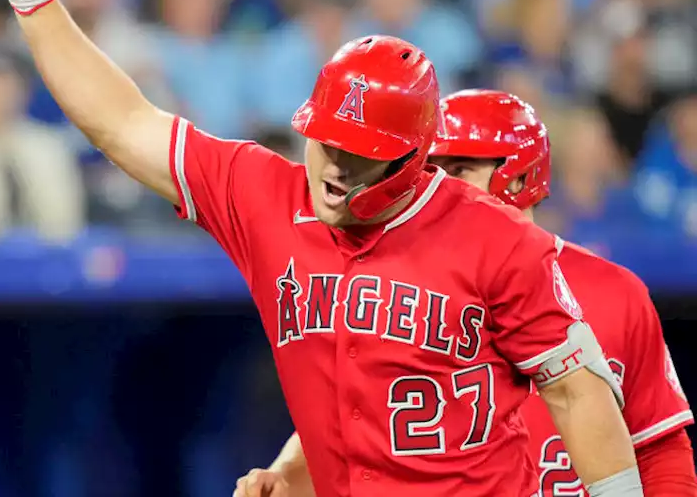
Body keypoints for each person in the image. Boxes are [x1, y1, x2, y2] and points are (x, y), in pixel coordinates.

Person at [0, 0, 641, 496]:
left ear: (413, 156)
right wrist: (34, 0)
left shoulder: (494, 237)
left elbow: (578, 392)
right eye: (325, 142)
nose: (333, 165)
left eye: (359, 151)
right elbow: (124, 124)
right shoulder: (265, 193)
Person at [242, 90, 697, 497]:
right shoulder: (392, 283)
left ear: (519, 178)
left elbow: (660, 450)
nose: (432, 186)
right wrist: (287, 473)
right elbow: (348, 415)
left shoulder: (615, 293)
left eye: (457, 169)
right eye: (425, 168)